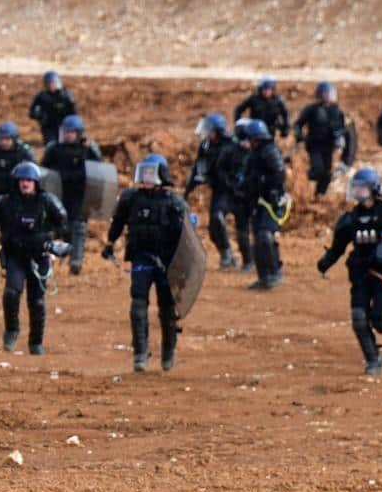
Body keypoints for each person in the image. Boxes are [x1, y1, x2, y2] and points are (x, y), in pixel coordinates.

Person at [317, 167, 382, 376]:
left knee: (379, 320)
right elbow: (338, 247)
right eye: (355, 188)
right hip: (360, 274)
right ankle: (373, 359)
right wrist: (325, 263)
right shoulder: (350, 219)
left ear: (373, 189)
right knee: (358, 317)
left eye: (362, 188)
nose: (358, 192)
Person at [104, 154, 188, 372]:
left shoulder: (174, 203)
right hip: (141, 258)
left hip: (167, 264)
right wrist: (110, 243)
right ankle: (140, 353)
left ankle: (168, 351)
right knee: (138, 304)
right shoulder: (131, 198)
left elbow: (186, 237)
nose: (147, 177)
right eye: (145, 172)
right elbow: (118, 221)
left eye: (152, 173)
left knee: (167, 309)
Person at [0, 162, 67, 355]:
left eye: (29, 180)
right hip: (15, 255)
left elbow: (63, 223)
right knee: (11, 293)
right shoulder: (5, 202)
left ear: (36, 182)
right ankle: (11, 331)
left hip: (39, 256)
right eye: (22, 180)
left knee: (36, 301)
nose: (25, 184)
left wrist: (55, 243)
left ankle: (36, 342)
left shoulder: (47, 201)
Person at [41, 114, 103, 274]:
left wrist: (90, 148)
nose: (68, 135)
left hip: (79, 193)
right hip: (59, 191)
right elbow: (43, 169)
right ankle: (47, 260)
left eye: (71, 132)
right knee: (55, 224)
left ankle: (76, 261)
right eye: (65, 132)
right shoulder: (55, 148)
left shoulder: (86, 148)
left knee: (78, 226)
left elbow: (98, 166)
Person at [187, 113, 247, 271]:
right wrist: (189, 189)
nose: (207, 134)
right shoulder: (206, 146)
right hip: (219, 190)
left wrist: (238, 185)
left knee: (241, 226)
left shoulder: (232, 146)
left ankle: (249, 259)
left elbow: (242, 167)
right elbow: (198, 168)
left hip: (234, 192)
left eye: (210, 131)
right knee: (215, 223)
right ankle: (226, 255)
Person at [237, 119, 288, 290]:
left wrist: (261, 182)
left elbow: (279, 176)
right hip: (256, 204)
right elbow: (246, 177)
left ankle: (274, 273)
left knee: (266, 236)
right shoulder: (252, 156)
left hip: (270, 204)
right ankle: (263, 276)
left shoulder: (270, 152)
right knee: (258, 240)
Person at [293, 82, 349, 196]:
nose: (328, 97)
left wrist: (340, 140)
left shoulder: (337, 111)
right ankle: (304, 177)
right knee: (318, 170)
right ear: (320, 95)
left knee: (327, 174)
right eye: (325, 94)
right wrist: (299, 135)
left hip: (329, 147)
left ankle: (319, 195)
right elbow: (298, 124)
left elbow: (344, 129)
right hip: (314, 145)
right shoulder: (311, 109)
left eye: (329, 94)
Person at [28, 71, 77, 148]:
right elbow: (31, 113)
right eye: (49, 83)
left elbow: (74, 113)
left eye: (53, 83)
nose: (52, 85)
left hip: (63, 126)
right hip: (48, 127)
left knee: (65, 145)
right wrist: (40, 116)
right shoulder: (42, 97)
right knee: (50, 146)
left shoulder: (66, 96)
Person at [234, 76, 290, 141]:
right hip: (255, 131)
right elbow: (238, 110)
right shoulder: (254, 99)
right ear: (260, 89)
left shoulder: (277, 101)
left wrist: (285, 127)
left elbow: (285, 113)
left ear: (272, 89)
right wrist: (238, 124)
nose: (266, 92)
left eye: (269, 89)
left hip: (270, 131)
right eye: (264, 89)